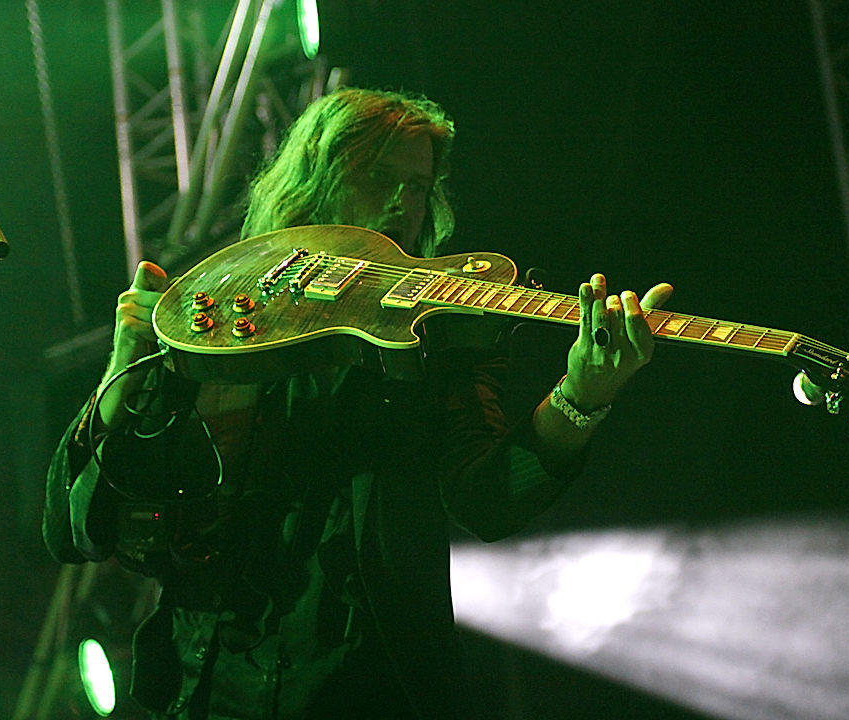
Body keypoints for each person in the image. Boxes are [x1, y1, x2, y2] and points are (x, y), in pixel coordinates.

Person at [43, 87, 672, 719]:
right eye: (379, 177)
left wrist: (581, 397)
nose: (405, 201)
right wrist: (125, 369)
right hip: (204, 689)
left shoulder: (436, 331)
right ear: (316, 184)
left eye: (421, 186)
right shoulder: (217, 314)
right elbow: (75, 530)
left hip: (367, 690)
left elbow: (486, 500)